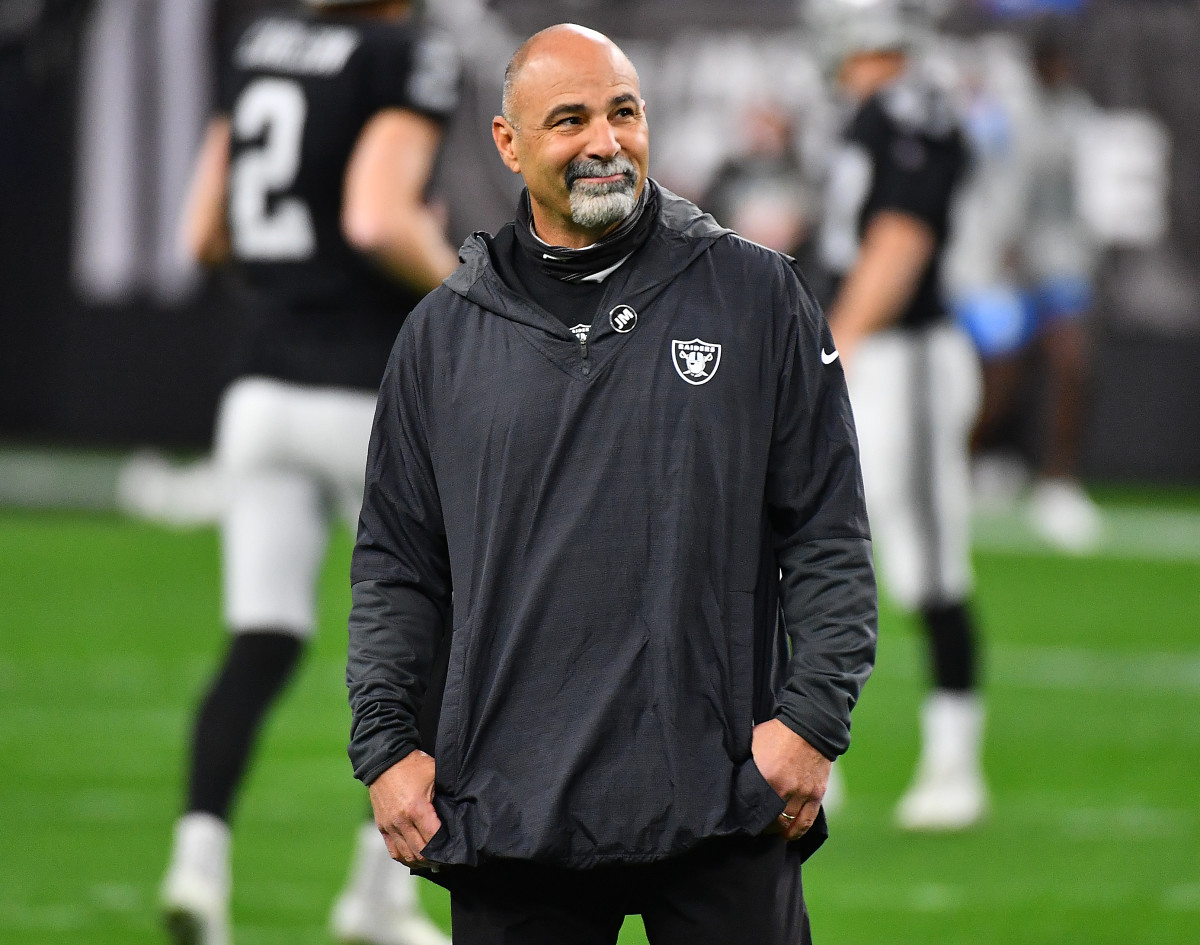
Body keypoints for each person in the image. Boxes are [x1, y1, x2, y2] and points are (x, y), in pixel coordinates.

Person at [346, 22, 878, 945]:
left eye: (623, 112)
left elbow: (827, 530)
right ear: (508, 143)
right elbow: (398, 565)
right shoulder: (441, 335)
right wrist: (387, 746)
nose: (606, 141)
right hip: (510, 810)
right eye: (570, 120)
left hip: (723, 798)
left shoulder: (754, 295)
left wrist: (811, 722)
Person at [159, 2, 460, 944]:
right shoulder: (399, 53)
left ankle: (197, 864)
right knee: (447, 639)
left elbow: (203, 235)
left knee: (261, 638)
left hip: (257, 391)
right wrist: (474, 295)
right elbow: (376, 216)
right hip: (365, 396)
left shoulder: (261, 44)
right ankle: (379, 891)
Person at [816, 4, 989, 830]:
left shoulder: (911, 105)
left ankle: (956, 763)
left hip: (903, 355)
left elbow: (900, 237)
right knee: (813, 550)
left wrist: (841, 339)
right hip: (866, 351)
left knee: (928, 563)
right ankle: (811, 754)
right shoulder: (869, 112)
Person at [955, 33, 1104, 553]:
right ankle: (963, 467)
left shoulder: (1078, 114)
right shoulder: (1003, 112)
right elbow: (984, 185)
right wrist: (991, 251)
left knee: (1071, 360)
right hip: (1000, 264)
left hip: (1058, 261)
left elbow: (1083, 197)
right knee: (999, 381)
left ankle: (1058, 482)